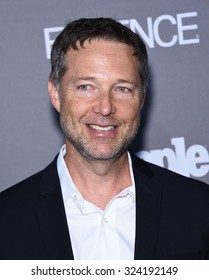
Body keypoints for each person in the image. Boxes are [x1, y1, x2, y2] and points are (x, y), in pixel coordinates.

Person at [0, 17, 209, 260]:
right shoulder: (7, 221)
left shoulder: (199, 209)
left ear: (141, 100)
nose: (105, 107)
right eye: (86, 87)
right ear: (56, 95)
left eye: (122, 89)